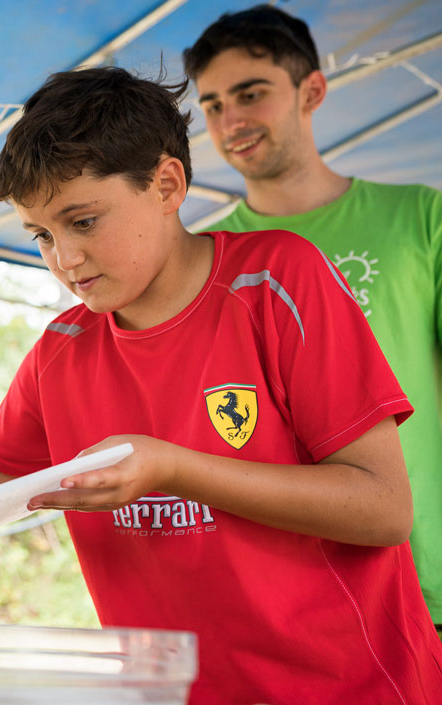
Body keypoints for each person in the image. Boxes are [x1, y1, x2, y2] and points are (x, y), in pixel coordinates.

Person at [0, 67, 442, 704]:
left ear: (167, 184)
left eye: (84, 222)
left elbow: (384, 508)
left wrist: (174, 469)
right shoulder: (59, 352)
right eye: (41, 235)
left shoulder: (277, 281)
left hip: (355, 689)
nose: (64, 260)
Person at [182, 4, 442, 633]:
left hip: (430, 579)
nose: (231, 120)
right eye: (214, 105)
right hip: (301, 601)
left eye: (250, 93)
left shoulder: (419, 217)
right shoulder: (204, 262)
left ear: (312, 91)